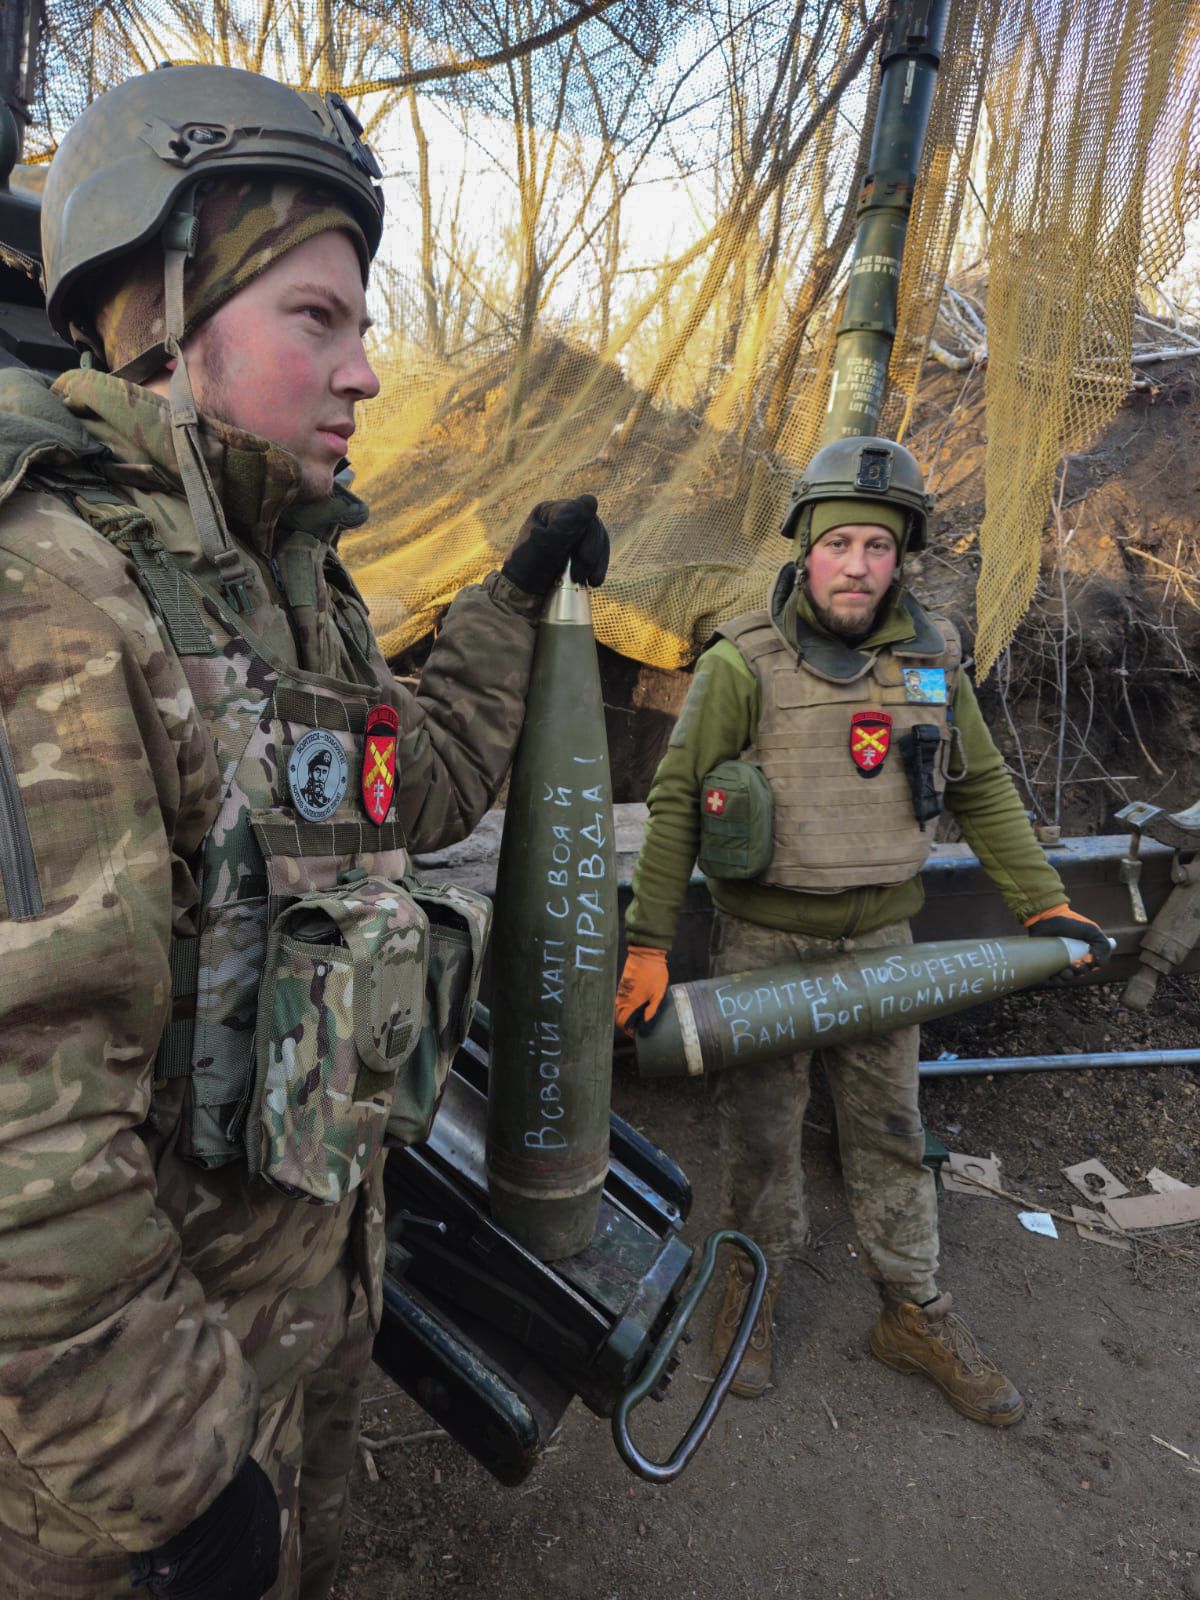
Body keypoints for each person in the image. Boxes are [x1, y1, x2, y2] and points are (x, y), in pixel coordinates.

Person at [0, 65, 608, 1600]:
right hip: (127, 1478)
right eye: (316, 319)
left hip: (299, 1346)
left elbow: (419, 791)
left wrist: (513, 605)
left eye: (360, 323)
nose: (366, 373)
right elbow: (27, 1135)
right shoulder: (50, 603)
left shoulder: (289, 584)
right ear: (154, 311)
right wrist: (178, 1485)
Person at [615, 435, 1110, 1421]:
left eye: (876, 547)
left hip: (884, 947)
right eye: (838, 541)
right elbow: (674, 803)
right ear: (805, 549)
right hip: (764, 946)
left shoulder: (931, 663)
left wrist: (1040, 899)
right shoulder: (741, 663)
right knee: (761, 1141)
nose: (856, 563)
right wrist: (649, 939)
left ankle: (913, 1311)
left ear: (900, 559)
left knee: (890, 1135)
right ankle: (750, 1291)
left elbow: (981, 789)